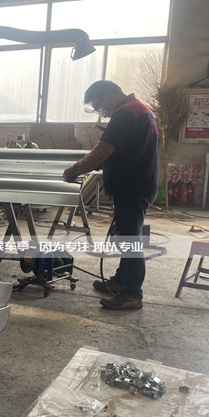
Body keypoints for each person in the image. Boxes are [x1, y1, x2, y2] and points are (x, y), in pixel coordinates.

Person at [63, 80, 159, 310]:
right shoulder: (140, 109)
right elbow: (124, 149)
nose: (100, 111)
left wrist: (76, 169)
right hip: (137, 184)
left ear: (107, 97)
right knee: (127, 235)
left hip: (132, 187)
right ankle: (121, 281)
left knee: (130, 240)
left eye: (98, 106)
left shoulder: (126, 113)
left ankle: (132, 294)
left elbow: (103, 149)